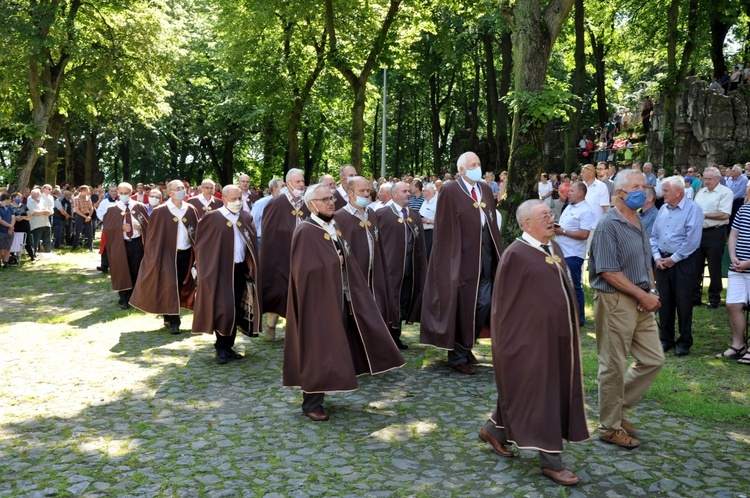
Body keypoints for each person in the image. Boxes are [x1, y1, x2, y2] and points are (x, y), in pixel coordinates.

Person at [479, 200, 589, 486]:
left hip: (558, 338)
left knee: (531, 391)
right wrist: (515, 348)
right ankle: (551, 460)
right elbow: (505, 307)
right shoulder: (516, 254)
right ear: (527, 224)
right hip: (532, 344)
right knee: (544, 397)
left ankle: (494, 429)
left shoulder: (552, 247)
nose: (551, 219)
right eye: (544, 216)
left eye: (550, 214)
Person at [283, 184, 405, 421]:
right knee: (317, 348)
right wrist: (334, 260)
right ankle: (312, 402)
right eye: (324, 199)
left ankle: (336, 383)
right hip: (317, 303)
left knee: (337, 346)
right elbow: (304, 271)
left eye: (331, 198)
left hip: (341, 295)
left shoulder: (332, 225)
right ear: (311, 205)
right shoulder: (306, 231)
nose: (331, 202)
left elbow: (344, 256)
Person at [589, 169, 664, 449]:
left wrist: (651, 292)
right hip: (616, 301)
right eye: (635, 186)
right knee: (613, 365)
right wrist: (641, 296)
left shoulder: (640, 219)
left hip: (641, 298)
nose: (642, 191)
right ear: (619, 193)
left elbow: (645, 260)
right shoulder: (608, 225)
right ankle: (609, 427)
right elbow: (607, 271)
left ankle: (618, 410)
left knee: (653, 359)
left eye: (643, 186)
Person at [420, 152, 503, 373]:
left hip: (484, 255)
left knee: (484, 302)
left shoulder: (485, 188)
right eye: (473, 164)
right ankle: (457, 356)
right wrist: (448, 262)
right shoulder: (450, 190)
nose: (478, 167)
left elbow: (490, 221)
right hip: (462, 258)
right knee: (461, 305)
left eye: (479, 163)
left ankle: (466, 344)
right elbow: (444, 228)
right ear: (462, 170)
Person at [192, 185, 261, 364]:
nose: (238, 202)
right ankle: (220, 346)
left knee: (236, 308)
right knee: (223, 308)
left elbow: (250, 245)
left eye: (240, 198)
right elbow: (202, 246)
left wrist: (251, 266)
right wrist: (205, 271)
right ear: (224, 199)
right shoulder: (212, 218)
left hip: (240, 270)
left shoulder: (245, 217)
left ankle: (228, 345)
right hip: (219, 270)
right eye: (233, 199)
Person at [130, 179, 199, 335]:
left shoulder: (190, 209)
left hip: (186, 253)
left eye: (183, 188)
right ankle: (174, 322)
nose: (182, 190)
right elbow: (153, 237)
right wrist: (154, 256)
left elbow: (197, 232)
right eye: (178, 188)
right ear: (170, 192)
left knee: (182, 284)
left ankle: (168, 315)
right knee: (170, 286)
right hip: (167, 255)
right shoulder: (161, 211)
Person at [650, 176, 703, 356]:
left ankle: (684, 341)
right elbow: (654, 236)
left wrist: (673, 259)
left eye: (665, 190)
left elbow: (692, 241)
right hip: (662, 261)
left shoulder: (693, 209)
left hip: (683, 262)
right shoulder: (663, 208)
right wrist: (657, 257)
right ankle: (666, 339)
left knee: (683, 301)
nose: (661, 194)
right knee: (664, 302)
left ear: (678, 192)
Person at [259, 168, 309, 341]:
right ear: (288, 184)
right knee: (278, 290)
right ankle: (270, 325)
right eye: (298, 181)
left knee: (301, 292)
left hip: (303, 257)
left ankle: (297, 329)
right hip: (280, 256)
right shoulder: (276, 203)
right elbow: (269, 233)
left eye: (302, 181)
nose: (301, 184)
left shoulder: (308, 203)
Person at [379, 181, 427, 350]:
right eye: (404, 191)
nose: (408, 193)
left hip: (409, 268)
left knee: (402, 302)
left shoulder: (413, 215)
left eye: (409, 191)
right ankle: (385, 336)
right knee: (389, 300)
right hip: (390, 268)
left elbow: (419, 243)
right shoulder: (382, 214)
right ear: (394, 195)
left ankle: (396, 336)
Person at [333, 176, 389, 321]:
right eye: (362, 191)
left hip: (373, 276)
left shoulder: (372, 214)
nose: (366, 194)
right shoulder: (339, 218)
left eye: (368, 190)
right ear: (350, 193)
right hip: (353, 280)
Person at [553, 181, 595, 326]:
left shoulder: (586, 210)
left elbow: (584, 234)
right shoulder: (569, 206)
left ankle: (579, 317)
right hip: (561, 252)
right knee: (561, 285)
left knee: (574, 285)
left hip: (573, 254)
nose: (568, 193)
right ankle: (566, 314)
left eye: (571, 191)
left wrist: (563, 231)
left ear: (580, 193)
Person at [102, 183, 148, 310]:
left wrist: (141, 226)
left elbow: (149, 225)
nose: (123, 196)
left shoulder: (139, 207)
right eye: (121, 193)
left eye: (126, 193)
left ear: (131, 192)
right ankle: (124, 298)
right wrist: (120, 227)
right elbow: (107, 227)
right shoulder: (113, 209)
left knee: (137, 269)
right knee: (122, 270)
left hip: (137, 243)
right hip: (121, 244)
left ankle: (138, 297)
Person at [692, 167, 732, 308]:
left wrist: (705, 214)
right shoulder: (701, 192)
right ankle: (695, 297)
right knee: (696, 265)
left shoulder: (725, 192)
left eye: (709, 179)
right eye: (704, 178)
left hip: (715, 232)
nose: (706, 181)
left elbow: (725, 214)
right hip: (698, 232)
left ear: (717, 179)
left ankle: (714, 298)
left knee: (714, 267)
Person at [719, 201, 750, 364]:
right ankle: (738, 346)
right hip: (738, 268)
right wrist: (732, 256)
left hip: (747, 266)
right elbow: (734, 234)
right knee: (732, 305)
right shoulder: (744, 209)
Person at [250, 178, 283, 249]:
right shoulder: (261, 203)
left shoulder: (284, 202)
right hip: (263, 240)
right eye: (283, 186)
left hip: (279, 239)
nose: (286, 189)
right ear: (275, 189)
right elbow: (253, 221)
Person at [28, 186, 54, 255]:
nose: (40, 195)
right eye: (38, 194)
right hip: (36, 225)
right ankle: (34, 254)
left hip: (46, 223)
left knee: (47, 239)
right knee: (36, 240)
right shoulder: (30, 202)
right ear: (34, 195)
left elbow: (49, 209)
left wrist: (47, 212)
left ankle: (48, 252)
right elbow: (34, 213)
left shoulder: (42, 201)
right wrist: (43, 212)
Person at [10, 193, 34, 262]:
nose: (20, 199)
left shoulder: (24, 206)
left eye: (20, 197)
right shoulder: (9, 207)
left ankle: (32, 256)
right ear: (13, 198)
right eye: (18, 197)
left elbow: (29, 216)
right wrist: (15, 218)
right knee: (13, 241)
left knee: (27, 241)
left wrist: (23, 217)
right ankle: (13, 257)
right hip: (14, 225)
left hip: (24, 226)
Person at [72, 185, 95, 251]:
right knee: (77, 231)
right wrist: (85, 217)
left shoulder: (88, 198)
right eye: (87, 190)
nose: (89, 191)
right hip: (80, 216)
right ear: (83, 191)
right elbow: (77, 210)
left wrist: (89, 216)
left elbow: (91, 208)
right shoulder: (76, 198)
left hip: (87, 215)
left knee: (90, 232)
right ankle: (74, 246)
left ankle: (90, 247)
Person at [418, 183, 438, 259]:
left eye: (424, 190)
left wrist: (427, 221)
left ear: (428, 192)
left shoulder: (437, 203)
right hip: (422, 232)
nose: (422, 192)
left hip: (431, 233)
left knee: (428, 256)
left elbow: (441, 222)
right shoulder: (424, 202)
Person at [0, 194, 15, 268]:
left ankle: (6, 263)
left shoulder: (10, 208)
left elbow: (13, 217)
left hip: (9, 231)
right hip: (1, 231)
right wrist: (9, 226)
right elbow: (0, 220)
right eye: (10, 199)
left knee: (7, 248)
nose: (11, 201)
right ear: (5, 199)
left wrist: (10, 228)